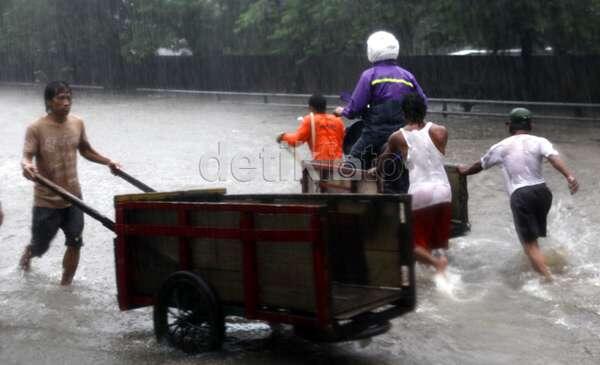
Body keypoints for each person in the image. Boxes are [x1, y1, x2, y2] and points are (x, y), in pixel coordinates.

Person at [458, 107, 579, 281]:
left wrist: (463, 170)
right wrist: (569, 176)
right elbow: (553, 158)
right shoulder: (540, 141)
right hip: (543, 193)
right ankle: (548, 267)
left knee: (529, 245)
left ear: (509, 125)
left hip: (522, 195)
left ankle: (549, 280)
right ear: (531, 124)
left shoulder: (501, 146)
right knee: (535, 238)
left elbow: (479, 166)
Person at [19, 81, 121, 286]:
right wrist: (27, 166)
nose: (66, 103)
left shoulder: (77, 123)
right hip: (47, 200)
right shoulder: (36, 128)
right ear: (49, 101)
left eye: (68, 98)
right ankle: (28, 255)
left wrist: (108, 161)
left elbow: (85, 149)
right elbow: (26, 157)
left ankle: (65, 287)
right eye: (61, 98)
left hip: (74, 198)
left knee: (75, 241)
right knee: (40, 247)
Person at [334, 31, 427, 175]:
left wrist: (343, 111)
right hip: (404, 134)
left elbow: (355, 109)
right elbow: (423, 102)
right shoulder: (407, 75)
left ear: (371, 51)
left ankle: (352, 194)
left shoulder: (369, 75)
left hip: (374, 134)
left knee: (352, 161)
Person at [377, 93, 451, 273]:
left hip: (420, 192)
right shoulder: (441, 131)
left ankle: (436, 265)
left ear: (403, 113)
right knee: (435, 243)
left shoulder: (397, 137)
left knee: (410, 244)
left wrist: (376, 169)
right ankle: (439, 273)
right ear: (424, 110)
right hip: (444, 191)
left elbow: (384, 160)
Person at [277, 94, 345, 161]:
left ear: (311, 108)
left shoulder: (310, 120)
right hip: (338, 163)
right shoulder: (338, 121)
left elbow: (296, 141)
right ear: (325, 107)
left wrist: (283, 137)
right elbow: (343, 141)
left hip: (321, 163)